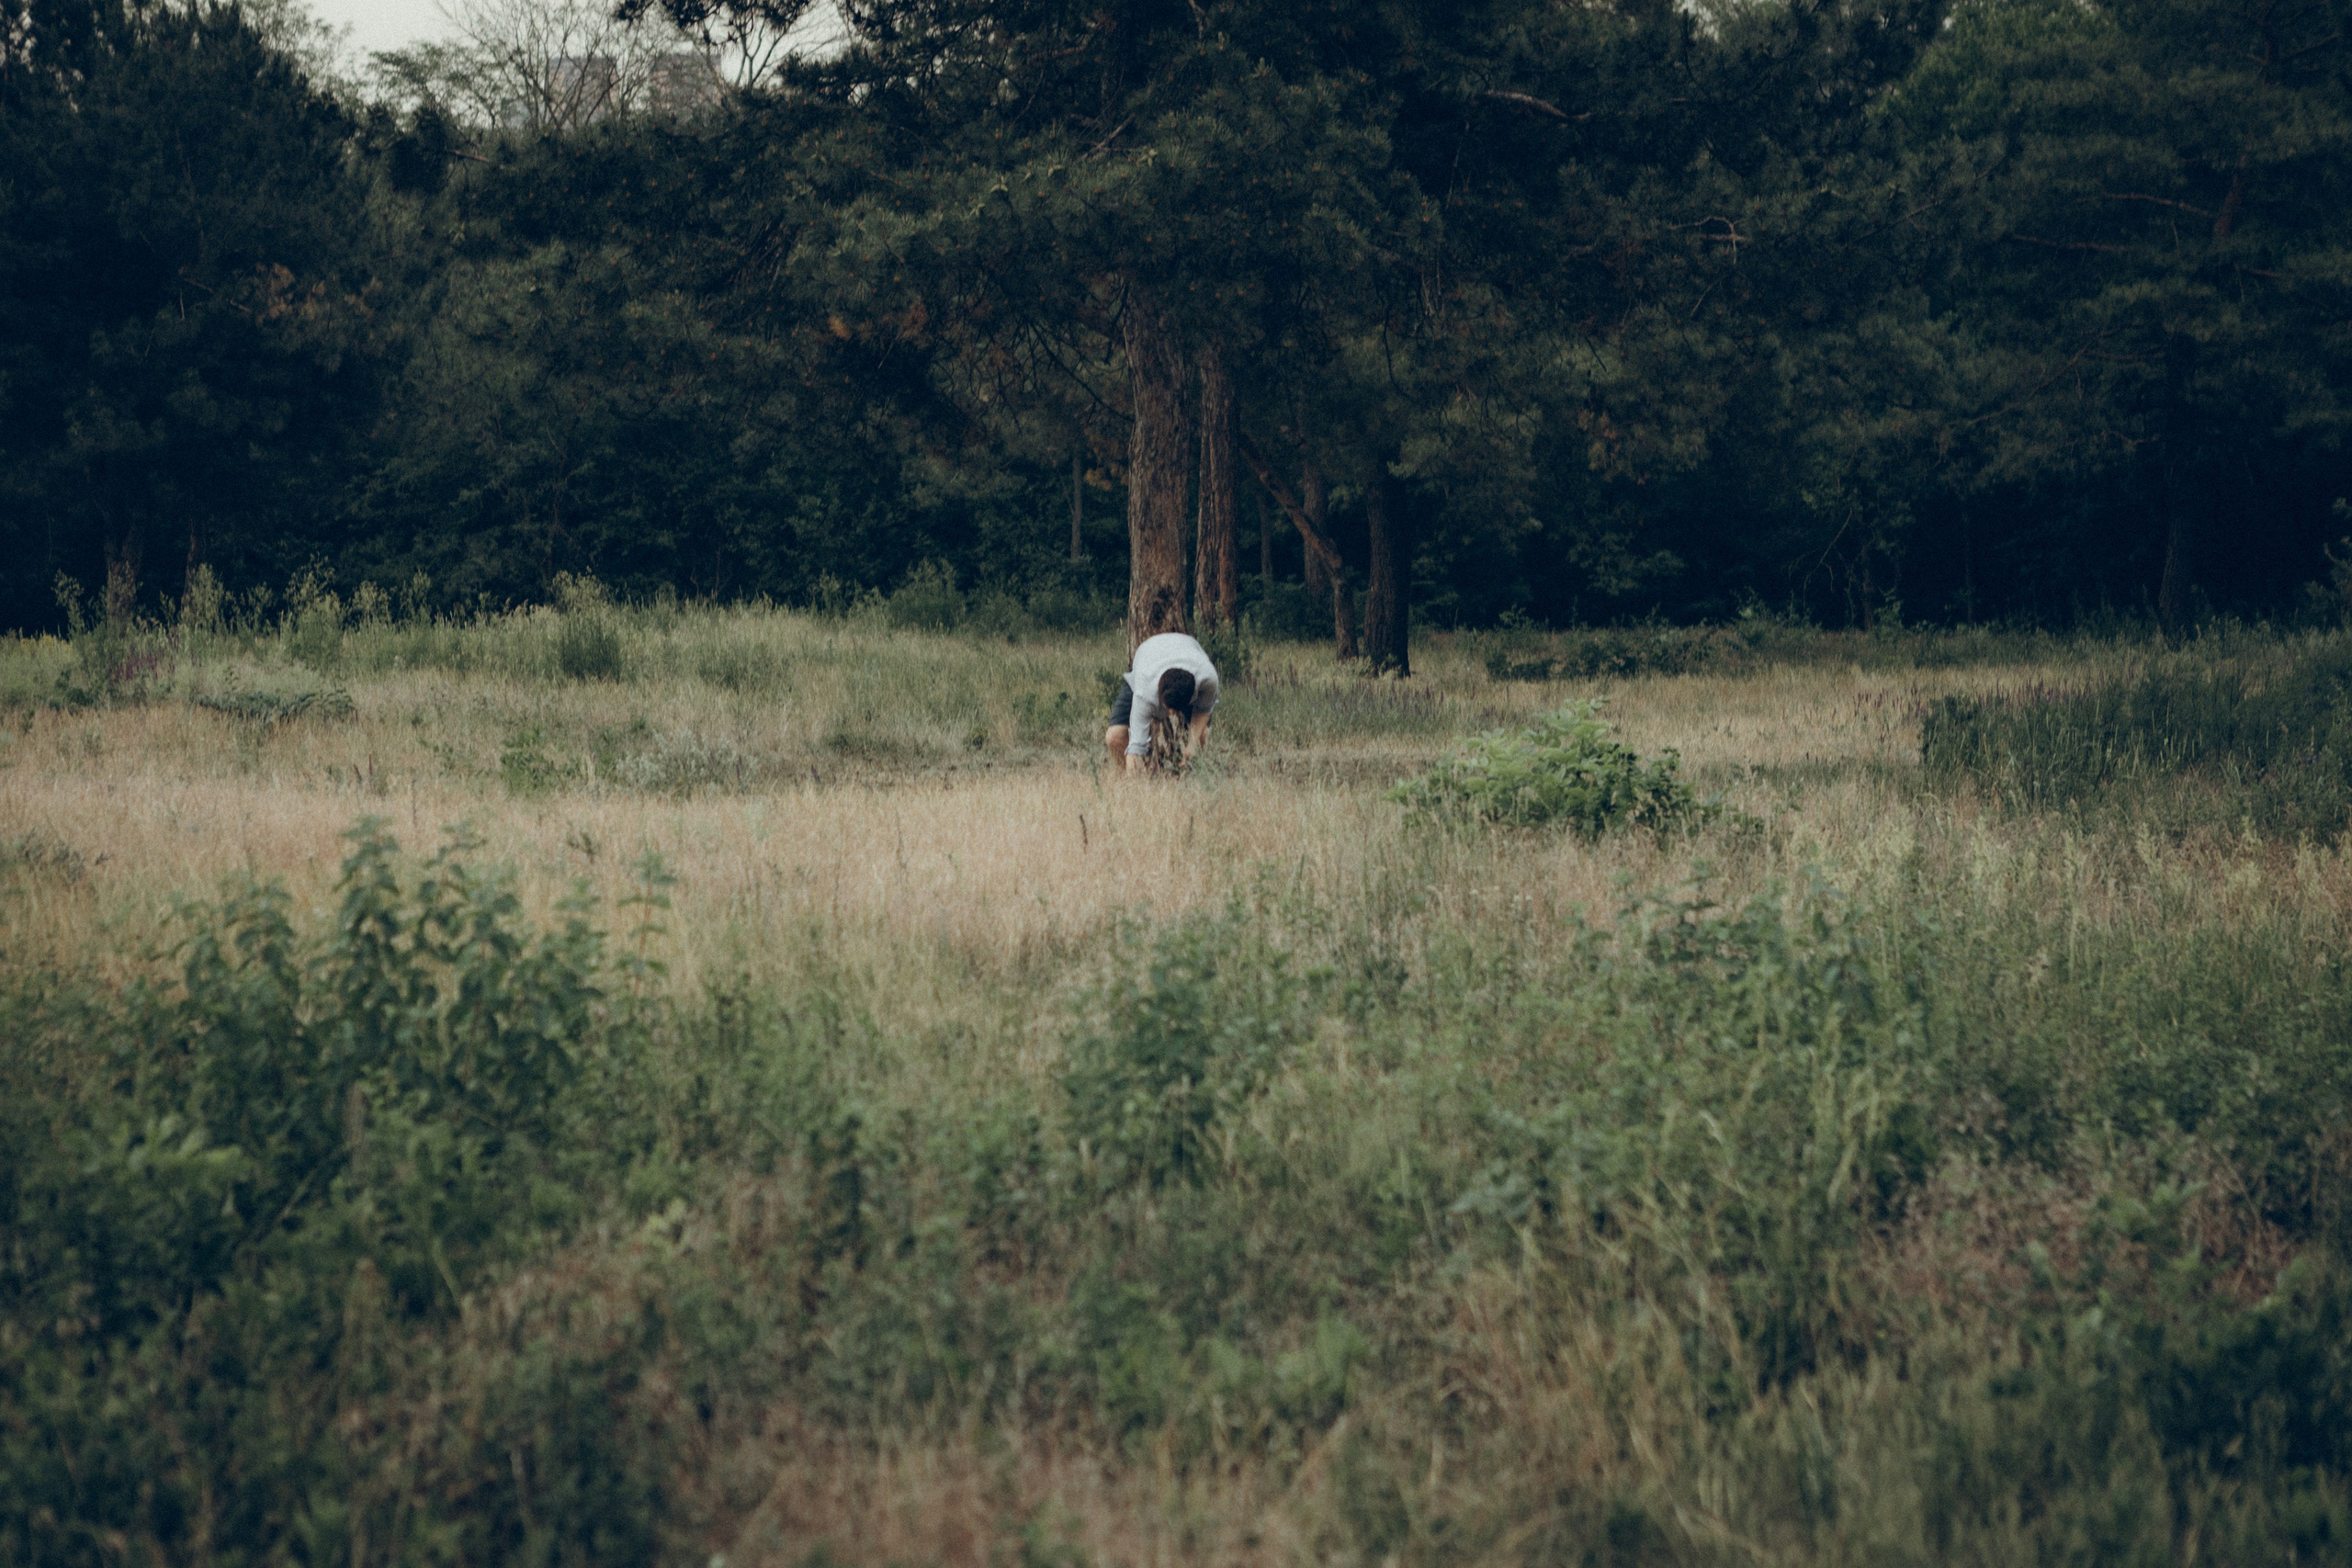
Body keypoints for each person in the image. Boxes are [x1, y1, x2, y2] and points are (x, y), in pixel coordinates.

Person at [1105, 631, 1219, 774]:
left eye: (1177, 710)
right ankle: (1131, 778)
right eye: (1169, 708)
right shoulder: (1144, 693)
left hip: (1188, 650)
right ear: (1159, 694)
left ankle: (1198, 776)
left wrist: (1192, 745)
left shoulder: (1208, 679)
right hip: (1149, 659)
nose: (1171, 714)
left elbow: (1203, 711)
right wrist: (1134, 786)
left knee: (1203, 735)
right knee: (1114, 736)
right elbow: (1136, 747)